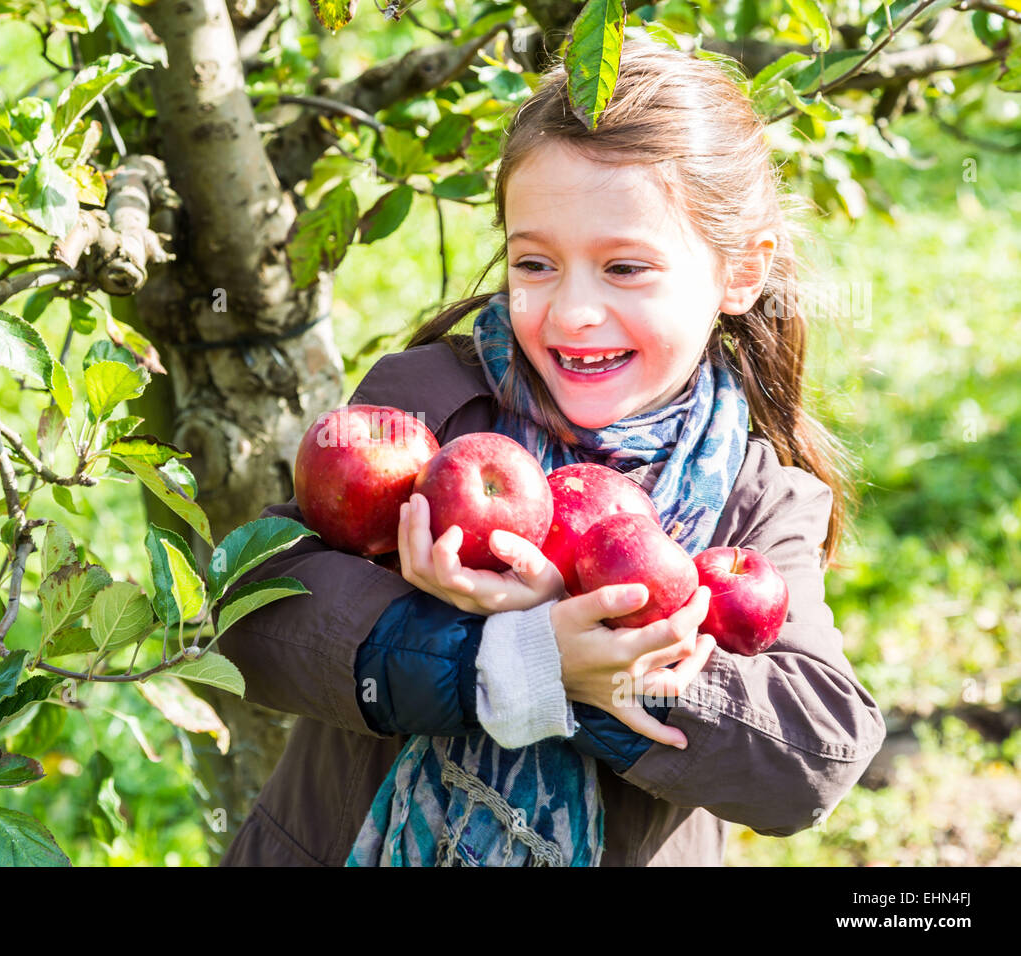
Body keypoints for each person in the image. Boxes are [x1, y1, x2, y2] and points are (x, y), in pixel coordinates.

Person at [215, 39, 886, 867]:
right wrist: (500, 662)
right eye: (535, 262)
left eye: (626, 267)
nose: (572, 312)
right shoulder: (431, 407)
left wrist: (599, 669)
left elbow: (813, 757)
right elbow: (257, 605)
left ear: (741, 271)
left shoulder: (757, 505)